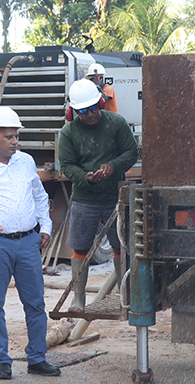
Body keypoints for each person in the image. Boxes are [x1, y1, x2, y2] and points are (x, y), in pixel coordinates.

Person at [0, 106, 60, 380]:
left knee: (35, 302)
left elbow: (40, 196)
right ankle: (2, 360)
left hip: (28, 241)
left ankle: (37, 358)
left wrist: (46, 226)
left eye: (16, 136)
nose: (15, 141)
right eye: (9, 136)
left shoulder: (26, 162)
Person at [58, 79, 138, 312]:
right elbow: (67, 165)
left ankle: (126, 294)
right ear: (74, 111)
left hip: (115, 196)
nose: (89, 114)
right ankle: (78, 299)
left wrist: (113, 166)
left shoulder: (117, 123)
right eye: (82, 111)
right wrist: (86, 177)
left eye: (93, 108)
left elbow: (131, 152)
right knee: (80, 247)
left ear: (101, 102)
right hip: (85, 197)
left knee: (120, 245)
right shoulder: (69, 132)